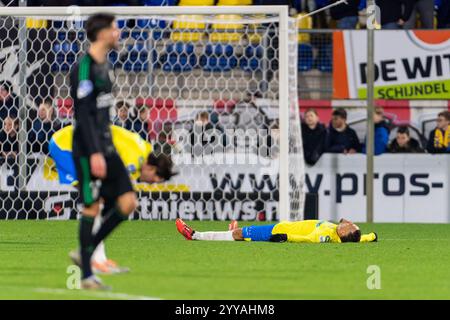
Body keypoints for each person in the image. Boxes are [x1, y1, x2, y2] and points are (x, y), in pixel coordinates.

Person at [49, 124, 176, 275]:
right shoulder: (133, 159)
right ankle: (93, 259)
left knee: (100, 203)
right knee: (95, 203)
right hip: (66, 146)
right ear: (151, 169)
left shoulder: (144, 153)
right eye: (154, 180)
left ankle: (97, 258)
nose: (151, 184)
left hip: (84, 146)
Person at [69, 13, 136, 290]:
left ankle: (85, 253)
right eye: (114, 28)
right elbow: (83, 114)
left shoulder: (107, 66)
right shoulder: (82, 67)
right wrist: (95, 153)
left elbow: (101, 114)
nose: (118, 32)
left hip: (106, 146)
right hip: (87, 148)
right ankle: (86, 275)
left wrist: (107, 148)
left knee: (128, 202)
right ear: (101, 33)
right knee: (92, 206)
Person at [176, 218, 378, 244]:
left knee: (239, 235)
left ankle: (194, 235)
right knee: (242, 235)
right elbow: (361, 239)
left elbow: (306, 238)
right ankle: (239, 234)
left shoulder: (324, 236)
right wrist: (372, 237)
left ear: (343, 234)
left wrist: (285, 236)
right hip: (280, 226)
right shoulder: (350, 237)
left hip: (277, 229)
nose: (348, 221)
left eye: (349, 225)